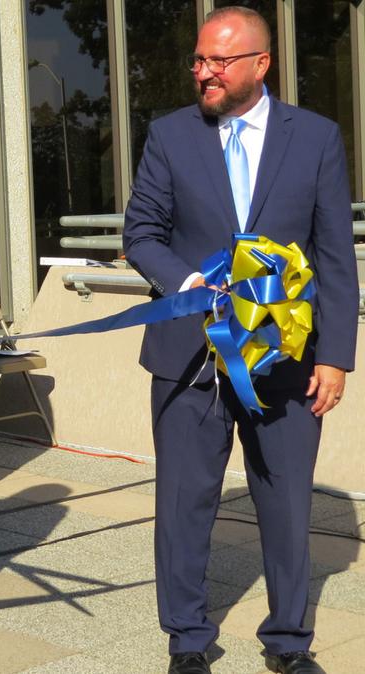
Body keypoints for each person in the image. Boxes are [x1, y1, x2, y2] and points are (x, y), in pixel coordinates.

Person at [122, 8, 355, 674]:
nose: (203, 72)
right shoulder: (170, 136)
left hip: (287, 360)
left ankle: (288, 643)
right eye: (198, 60)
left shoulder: (315, 138)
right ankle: (188, 641)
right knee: (184, 503)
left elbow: (335, 255)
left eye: (218, 62)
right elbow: (141, 231)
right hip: (187, 354)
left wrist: (336, 355)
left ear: (261, 63)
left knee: (285, 504)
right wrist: (191, 281)